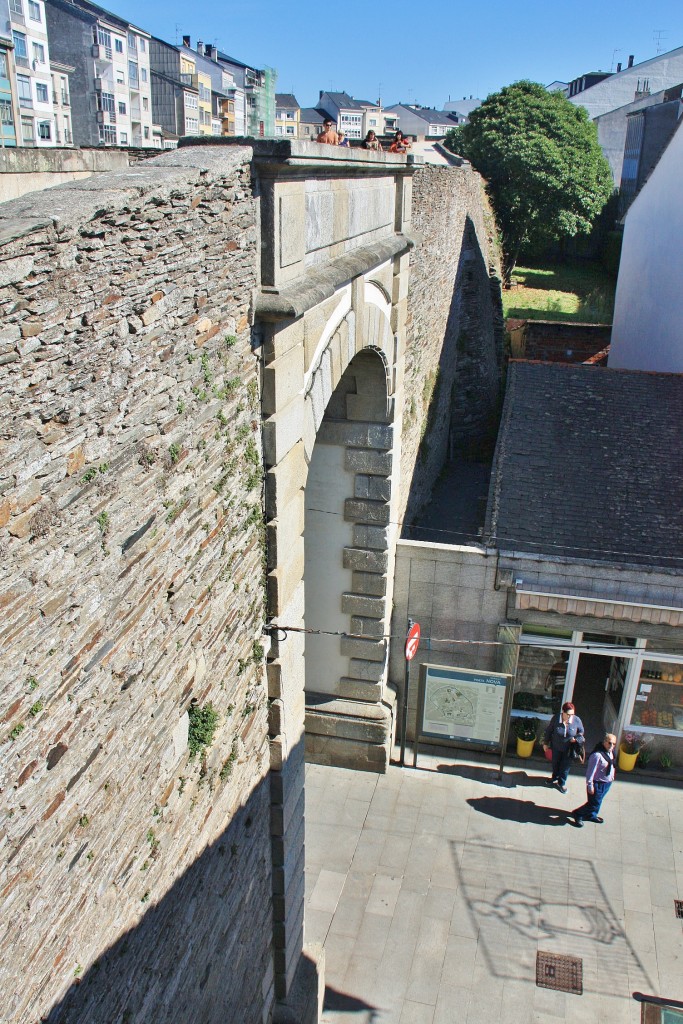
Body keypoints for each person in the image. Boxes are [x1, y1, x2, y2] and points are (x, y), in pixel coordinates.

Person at [571, 734, 617, 827]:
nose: (611, 746)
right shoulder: (597, 755)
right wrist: (590, 785)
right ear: (604, 742)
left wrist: (612, 776)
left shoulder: (611, 752)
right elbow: (590, 772)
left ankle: (591, 815)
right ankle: (578, 814)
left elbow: (612, 765)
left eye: (614, 744)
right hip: (597, 784)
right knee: (594, 803)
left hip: (606, 783)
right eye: (609, 743)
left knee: (598, 801)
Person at [542, 701, 584, 793]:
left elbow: (581, 732)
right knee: (555, 764)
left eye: (572, 714)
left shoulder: (576, 720)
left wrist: (575, 739)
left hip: (569, 749)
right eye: (568, 714)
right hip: (556, 747)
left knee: (565, 767)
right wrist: (545, 743)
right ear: (563, 712)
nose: (570, 716)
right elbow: (549, 730)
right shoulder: (556, 718)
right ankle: (554, 777)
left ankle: (561, 783)